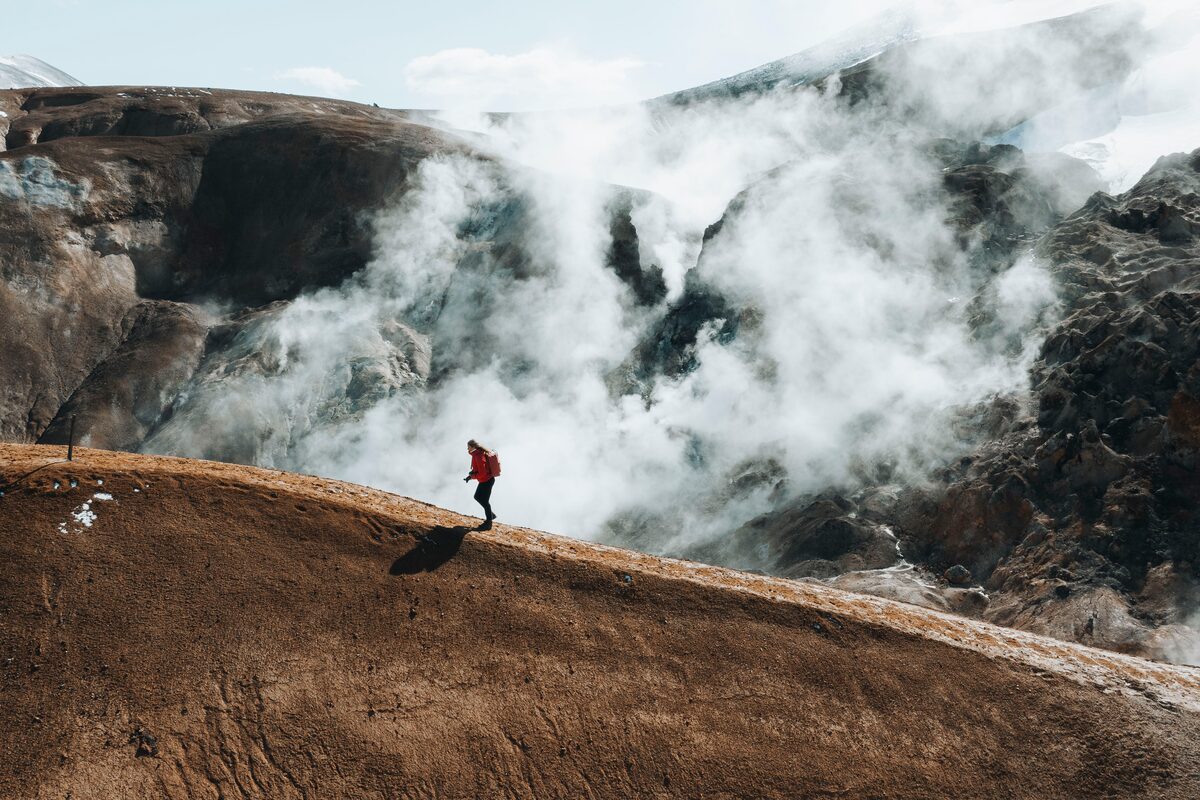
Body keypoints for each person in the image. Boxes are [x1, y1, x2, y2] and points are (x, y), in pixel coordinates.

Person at [463, 439, 496, 527]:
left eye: (468, 446)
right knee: (478, 497)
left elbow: (482, 473)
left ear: (473, 447)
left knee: (483, 500)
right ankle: (491, 516)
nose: (467, 448)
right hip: (485, 480)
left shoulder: (478, 456)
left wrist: (472, 476)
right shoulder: (476, 454)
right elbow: (477, 469)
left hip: (487, 480)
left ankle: (489, 521)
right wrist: (470, 477)